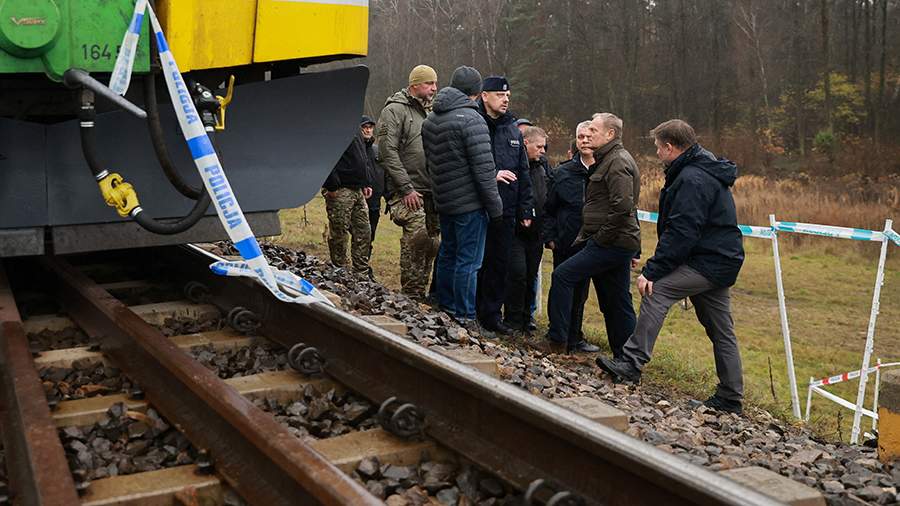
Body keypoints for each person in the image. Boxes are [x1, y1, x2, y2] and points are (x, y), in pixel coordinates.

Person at [596, 119, 746, 414]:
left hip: (708, 260)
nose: (656, 153)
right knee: (721, 330)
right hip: (719, 258)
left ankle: (631, 362)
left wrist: (653, 270)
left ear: (669, 147)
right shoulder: (699, 169)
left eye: (657, 147)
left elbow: (683, 231)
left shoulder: (692, 178)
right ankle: (730, 396)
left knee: (657, 290)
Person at [545, 113, 641, 354]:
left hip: (611, 242)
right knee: (615, 301)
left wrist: (599, 238)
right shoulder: (607, 159)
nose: (589, 135)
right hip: (614, 241)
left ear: (610, 134)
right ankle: (626, 357)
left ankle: (557, 341)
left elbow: (623, 207)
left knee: (563, 276)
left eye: (594, 131)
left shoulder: (617, 161)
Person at [422, 66, 503, 330]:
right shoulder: (472, 120)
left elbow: (430, 164)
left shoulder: (431, 120)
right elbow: (483, 170)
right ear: (477, 92)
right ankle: (465, 316)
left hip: (444, 200)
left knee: (447, 254)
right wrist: (495, 207)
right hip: (470, 203)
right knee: (469, 261)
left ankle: (444, 305)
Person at [475, 76, 534, 335]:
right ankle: (469, 311)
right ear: (484, 96)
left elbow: (523, 170)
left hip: (507, 209)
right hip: (478, 206)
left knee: (499, 265)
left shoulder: (512, 128)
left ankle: (491, 316)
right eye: (500, 95)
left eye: (507, 96)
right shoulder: (475, 123)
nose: (506, 99)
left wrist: (525, 208)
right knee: (477, 262)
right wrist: (492, 176)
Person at [376, 65, 440, 301]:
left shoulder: (433, 112)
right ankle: (411, 296)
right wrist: (406, 188)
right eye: (429, 83)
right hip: (406, 190)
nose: (434, 88)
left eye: (435, 83)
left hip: (431, 191)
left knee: (433, 243)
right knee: (417, 238)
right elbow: (387, 152)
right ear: (415, 85)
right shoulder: (395, 110)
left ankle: (421, 294)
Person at [542, 121, 594, 346]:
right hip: (566, 240)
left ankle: (575, 336)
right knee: (562, 287)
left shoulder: (607, 170)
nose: (584, 140)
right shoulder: (562, 172)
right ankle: (557, 335)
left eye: (588, 137)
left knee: (582, 292)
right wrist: (550, 237)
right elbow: (549, 208)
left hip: (594, 242)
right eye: (580, 137)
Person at [504, 126, 550, 332]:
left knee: (531, 275)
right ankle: (512, 318)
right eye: (539, 146)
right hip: (516, 232)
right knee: (517, 274)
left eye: (544, 147)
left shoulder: (542, 167)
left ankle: (526, 317)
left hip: (537, 233)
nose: (542, 151)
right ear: (526, 144)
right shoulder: (513, 166)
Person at [322, 130, 373, 275]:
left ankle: (361, 272)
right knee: (339, 231)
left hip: (357, 189)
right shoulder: (334, 125)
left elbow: (362, 156)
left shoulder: (354, 124)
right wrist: (331, 185)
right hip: (340, 188)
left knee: (364, 230)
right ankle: (340, 270)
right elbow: (325, 154)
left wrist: (366, 181)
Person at [361, 115, 385, 243]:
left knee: (370, 234)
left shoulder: (377, 151)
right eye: (364, 127)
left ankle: (365, 261)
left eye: (370, 127)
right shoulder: (352, 149)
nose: (368, 130)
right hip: (355, 200)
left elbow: (384, 174)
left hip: (374, 202)